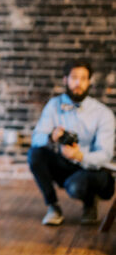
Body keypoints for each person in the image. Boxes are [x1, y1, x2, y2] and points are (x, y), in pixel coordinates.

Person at [28, 60, 115, 226]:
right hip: (65, 165)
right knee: (35, 153)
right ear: (65, 80)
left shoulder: (103, 113)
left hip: (92, 169)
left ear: (89, 82)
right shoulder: (54, 105)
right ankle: (52, 206)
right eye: (74, 77)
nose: (78, 83)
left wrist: (80, 155)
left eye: (83, 78)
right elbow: (36, 138)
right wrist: (51, 138)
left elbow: (105, 155)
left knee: (76, 186)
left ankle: (90, 203)